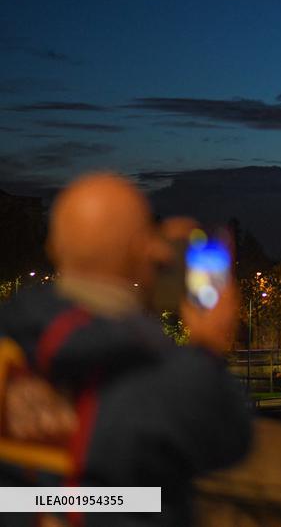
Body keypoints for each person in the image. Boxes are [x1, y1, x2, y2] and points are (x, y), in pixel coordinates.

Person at [0, 173, 252, 526]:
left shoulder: (10, 340)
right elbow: (231, 442)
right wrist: (207, 349)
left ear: (53, 248)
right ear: (144, 250)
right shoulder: (167, 373)